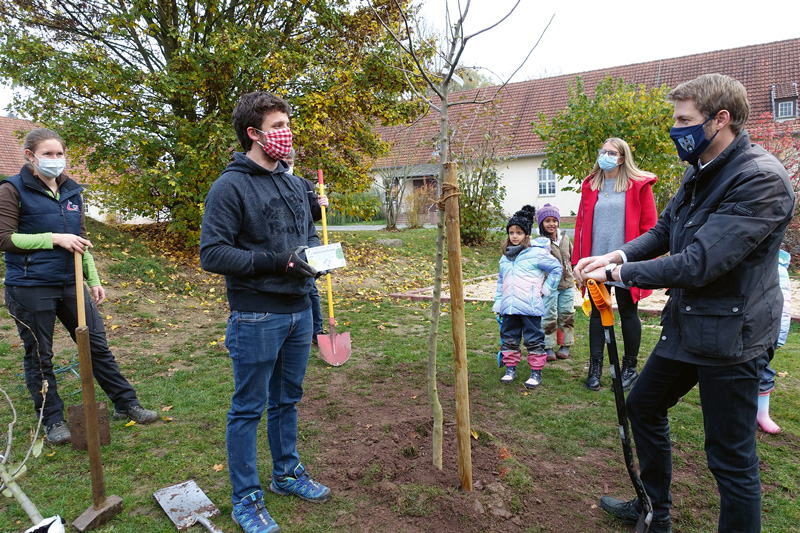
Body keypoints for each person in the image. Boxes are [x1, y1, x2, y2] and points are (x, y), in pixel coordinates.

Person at [574, 73, 794, 533]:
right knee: (643, 406)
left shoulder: (759, 179)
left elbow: (697, 263)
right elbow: (664, 231)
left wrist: (617, 275)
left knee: (730, 459)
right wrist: (616, 253)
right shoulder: (699, 171)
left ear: (721, 119)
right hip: (690, 324)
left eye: (683, 120)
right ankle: (656, 511)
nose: (676, 129)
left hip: (734, 337)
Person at [200, 91, 330, 533]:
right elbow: (212, 254)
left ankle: (286, 475)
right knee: (248, 408)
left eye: (287, 123)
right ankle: (246, 499)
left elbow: (307, 236)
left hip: (299, 310)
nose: (286, 133)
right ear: (253, 134)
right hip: (256, 315)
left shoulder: (295, 184)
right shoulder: (229, 187)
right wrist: (276, 262)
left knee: (287, 400)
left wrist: (319, 257)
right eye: (277, 126)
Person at [0, 128, 159, 446]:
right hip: (30, 285)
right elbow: (4, 238)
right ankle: (53, 420)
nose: (55, 160)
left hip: (71, 283)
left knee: (96, 345)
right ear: (30, 156)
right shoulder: (12, 189)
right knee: (41, 356)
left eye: (59, 154)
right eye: (48, 154)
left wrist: (94, 279)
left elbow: (81, 240)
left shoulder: (72, 191)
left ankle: (125, 404)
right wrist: (54, 239)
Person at [572, 137, 657, 391]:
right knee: (598, 312)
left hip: (624, 263)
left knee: (629, 311)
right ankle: (595, 367)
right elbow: (580, 226)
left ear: (622, 158)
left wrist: (641, 264)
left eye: (611, 152)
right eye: (602, 151)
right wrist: (578, 261)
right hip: (595, 262)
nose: (604, 155)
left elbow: (650, 228)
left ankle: (629, 368)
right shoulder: (591, 185)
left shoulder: (638, 186)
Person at [493, 205, 562, 389]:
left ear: (526, 235)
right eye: (511, 232)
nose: (514, 236)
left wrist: (545, 290)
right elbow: (501, 282)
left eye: (519, 232)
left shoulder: (537, 253)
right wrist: (499, 303)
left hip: (530, 307)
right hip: (509, 307)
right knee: (509, 338)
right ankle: (510, 369)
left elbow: (557, 269)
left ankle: (536, 372)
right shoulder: (504, 257)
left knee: (534, 340)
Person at [284, 148, 328, 345]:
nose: (287, 165)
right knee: (306, 288)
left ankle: (316, 331)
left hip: (306, 243)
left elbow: (314, 216)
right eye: (284, 161)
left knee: (311, 289)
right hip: (286, 245)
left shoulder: (305, 184)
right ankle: (302, 331)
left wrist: (323, 206)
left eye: (290, 161)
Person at [758, 248, 791, 434]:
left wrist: (781, 335)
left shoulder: (777, 267)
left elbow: (784, 304)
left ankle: (763, 414)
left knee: (763, 372)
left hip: (766, 332)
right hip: (740, 330)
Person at [537, 203, 575, 361]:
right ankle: (548, 346)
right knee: (549, 315)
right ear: (541, 224)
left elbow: (573, 259)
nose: (551, 224)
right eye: (547, 221)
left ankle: (565, 344)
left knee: (566, 314)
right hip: (550, 287)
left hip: (567, 285)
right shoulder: (540, 243)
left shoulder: (565, 239)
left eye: (554, 220)